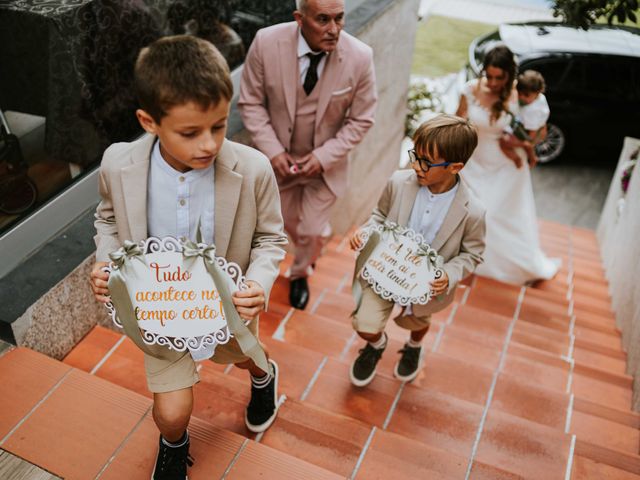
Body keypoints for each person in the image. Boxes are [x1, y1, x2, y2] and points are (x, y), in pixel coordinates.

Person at [89, 36, 288, 480]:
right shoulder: (118, 164)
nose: (210, 144)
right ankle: (174, 444)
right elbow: (106, 220)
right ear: (149, 121)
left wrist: (258, 282)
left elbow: (271, 239)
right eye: (190, 132)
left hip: (227, 306)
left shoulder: (253, 169)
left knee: (245, 355)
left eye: (219, 126)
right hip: (160, 312)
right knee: (173, 411)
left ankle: (264, 376)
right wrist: (105, 261)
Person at [238, 0, 377, 310]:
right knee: (287, 224)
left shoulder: (360, 56)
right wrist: (274, 152)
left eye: (339, 18)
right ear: (299, 19)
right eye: (323, 20)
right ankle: (310, 246)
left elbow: (362, 119)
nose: (334, 29)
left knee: (310, 231)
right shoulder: (266, 42)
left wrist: (324, 157)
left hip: (325, 169)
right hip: (278, 165)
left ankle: (300, 273)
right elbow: (250, 103)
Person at [348, 114, 485, 386]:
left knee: (418, 322)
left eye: (425, 162)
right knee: (364, 324)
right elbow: (379, 215)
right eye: (414, 155)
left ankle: (413, 346)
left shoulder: (474, 212)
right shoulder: (399, 183)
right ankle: (376, 345)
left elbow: (472, 254)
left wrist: (448, 273)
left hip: (425, 287)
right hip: (384, 272)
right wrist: (366, 231)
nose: (415, 165)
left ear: (455, 167)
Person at [456, 45, 560, 285]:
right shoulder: (470, 91)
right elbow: (457, 123)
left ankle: (508, 264)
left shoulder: (521, 94)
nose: (492, 83)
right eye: (488, 76)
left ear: (510, 75)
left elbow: (539, 131)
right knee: (466, 212)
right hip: (473, 161)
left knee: (492, 214)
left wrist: (526, 143)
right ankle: (463, 259)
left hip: (506, 166)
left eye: (498, 78)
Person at [499, 70, 549, 168]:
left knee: (503, 143)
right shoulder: (538, 98)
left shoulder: (533, 110)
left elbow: (531, 134)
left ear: (537, 92)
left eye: (526, 95)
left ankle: (525, 158)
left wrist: (526, 142)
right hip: (527, 124)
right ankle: (530, 155)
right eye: (520, 93)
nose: (521, 97)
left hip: (529, 130)